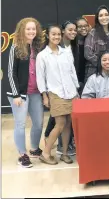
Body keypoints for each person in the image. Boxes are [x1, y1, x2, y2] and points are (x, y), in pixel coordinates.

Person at [36, 24, 80, 165]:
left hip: (71, 92)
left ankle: (65, 153)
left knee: (68, 124)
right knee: (60, 124)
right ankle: (46, 153)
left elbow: (72, 72)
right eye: (53, 34)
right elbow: (40, 78)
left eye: (58, 34)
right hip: (55, 93)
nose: (56, 37)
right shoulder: (42, 56)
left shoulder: (66, 52)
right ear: (48, 36)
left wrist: (76, 91)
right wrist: (44, 95)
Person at [6, 17, 44, 168]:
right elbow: (10, 72)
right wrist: (16, 94)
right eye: (28, 29)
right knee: (20, 124)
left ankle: (34, 149)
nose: (31, 31)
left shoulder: (38, 47)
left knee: (39, 123)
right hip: (19, 94)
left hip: (35, 92)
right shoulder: (16, 47)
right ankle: (22, 154)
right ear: (22, 30)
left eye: (33, 29)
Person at [84, 5, 109, 82]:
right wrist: (102, 64)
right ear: (97, 18)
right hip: (94, 71)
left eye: (106, 15)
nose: (104, 17)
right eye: (101, 15)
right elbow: (87, 54)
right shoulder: (93, 33)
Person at [76, 17, 92, 90]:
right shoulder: (73, 43)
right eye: (80, 27)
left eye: (85, 26)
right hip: (75, 79)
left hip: (88, 77)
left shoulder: (91, 41)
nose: (83, 28)